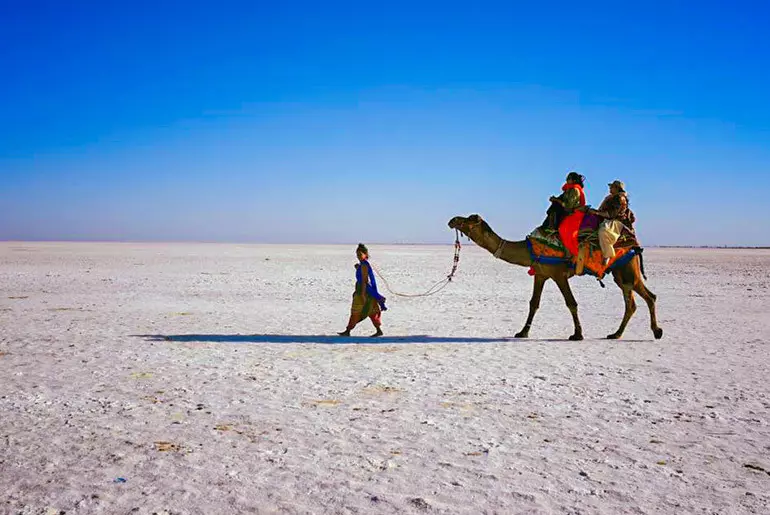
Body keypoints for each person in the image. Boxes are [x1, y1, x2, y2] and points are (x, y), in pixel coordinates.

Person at [337, 243, 387, 337]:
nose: (358, 256)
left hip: (363, 291)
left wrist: (363, 294)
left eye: (360, 254)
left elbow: (364, 280)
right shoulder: (363, 264)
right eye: (357, 255)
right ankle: (378, 330)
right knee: (372, 311)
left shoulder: (364, 265)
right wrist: (357, 267)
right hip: (365, 291)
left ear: (365, 254)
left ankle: (348, 331)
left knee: (357, 311)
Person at [590, 180, 633, 265]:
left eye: (612, 187)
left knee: (603, 232)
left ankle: (607, 255)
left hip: (615, 221)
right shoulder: (611, 197)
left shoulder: (619, 198)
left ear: (617, 188)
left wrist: (596, 213)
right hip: (607, 219)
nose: (610, 188)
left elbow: (611, 214)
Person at [545, 171, 587, 257]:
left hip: (572, 212)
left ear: (574, 180)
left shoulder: (575, 190)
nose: (566, 180)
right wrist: (555, 199)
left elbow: (569, 205)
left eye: (569, 178)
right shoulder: (569, 189)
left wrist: (557, 201)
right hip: (566, 210)